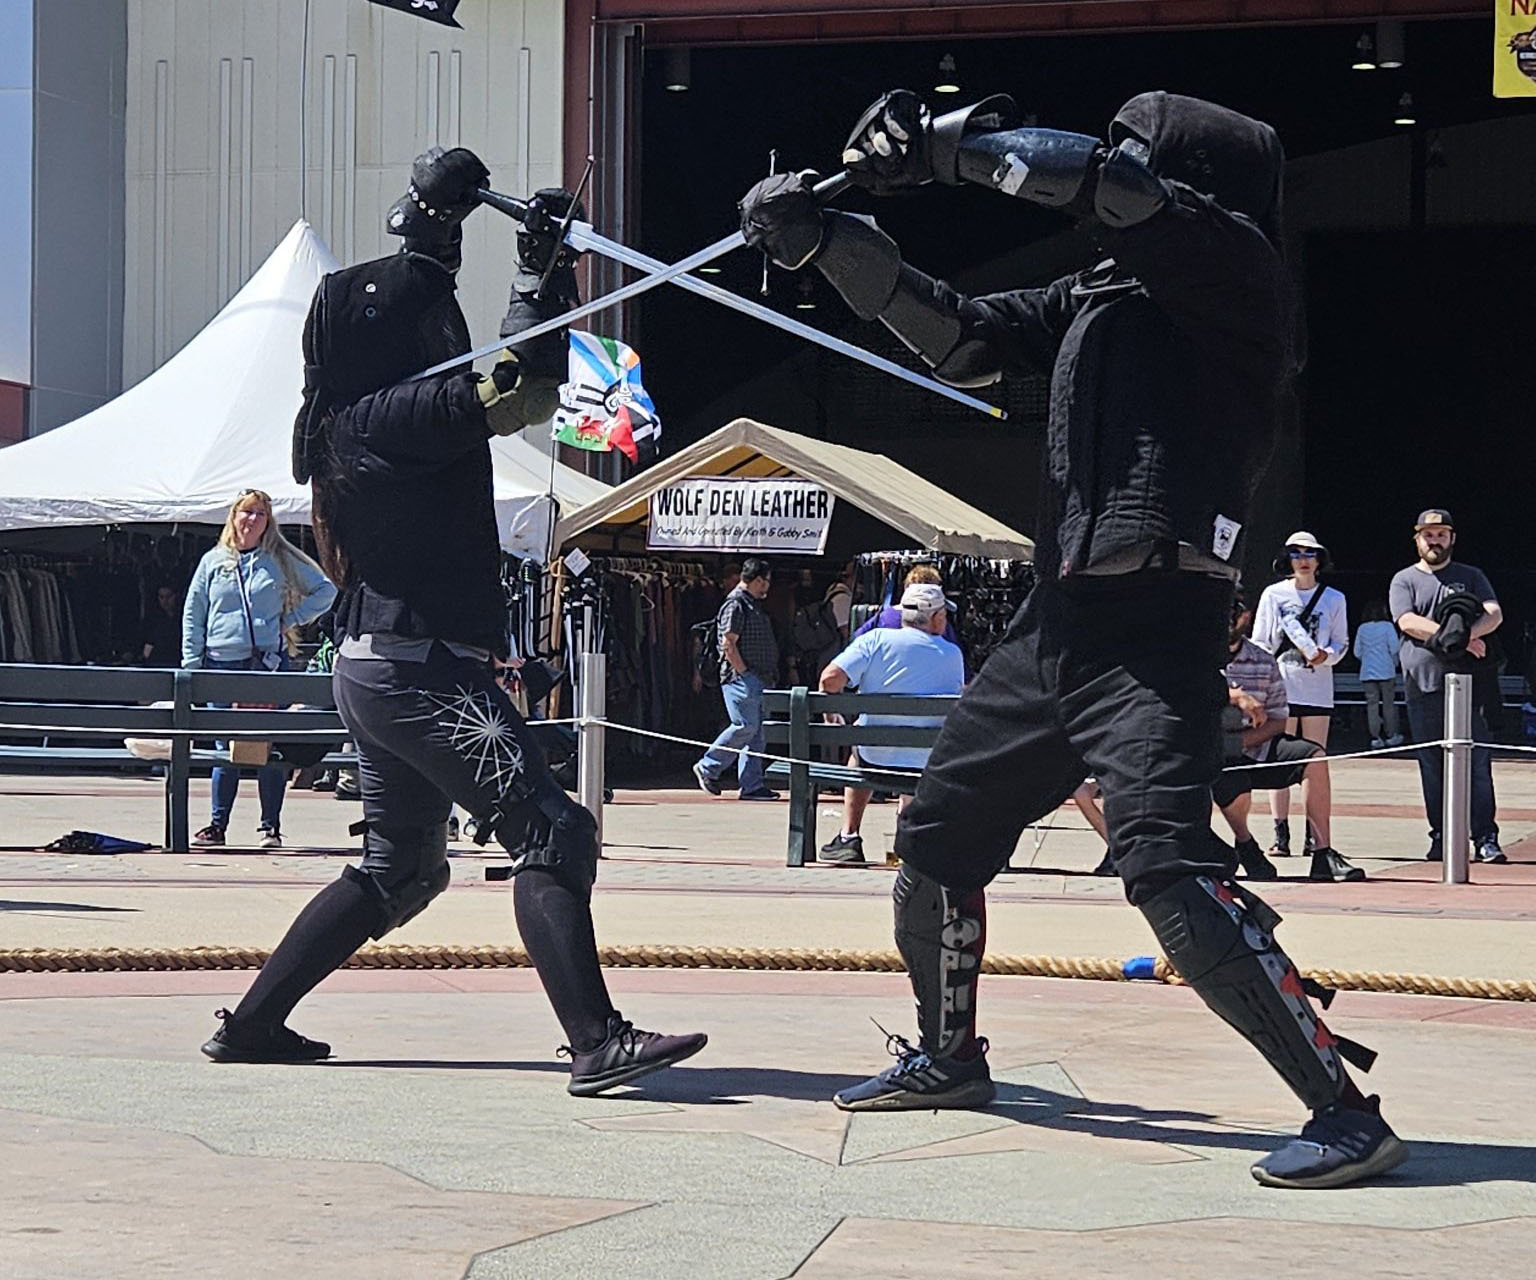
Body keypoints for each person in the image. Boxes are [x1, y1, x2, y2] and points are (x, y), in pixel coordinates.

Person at [739, 87, 1404, 1188]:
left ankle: (1345, 1112)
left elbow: (1106, 184)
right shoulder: (1106, 292)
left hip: (1157, 629)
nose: (1114, 168)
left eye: (1140, 153)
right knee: (937, 834)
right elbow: (962, 337)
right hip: (1055, 625)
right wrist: (827, 241)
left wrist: (940, 152)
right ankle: (949, 1056)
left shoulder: (1240, 276)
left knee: (1169, 867)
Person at [201, 146, 706, 1094]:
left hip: (382, 667)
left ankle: (255, 1024)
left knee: (403, 868)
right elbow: (517, 386)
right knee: (553, 832)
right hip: (418, 669)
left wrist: (455, 229)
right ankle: (595, 1041)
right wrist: (537, 276)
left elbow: (475, 340)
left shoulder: (347, 422)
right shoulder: (390, 414)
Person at [181, 489, 336, 848]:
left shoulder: (279, 558)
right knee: (226, 747)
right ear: (233, 516)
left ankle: (270, 827)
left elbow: (325, 590)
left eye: (261, 514)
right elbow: (194, 612)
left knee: (269, 744)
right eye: (247, 512)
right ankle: (217, 825)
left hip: (266, 663)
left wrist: (288, 620)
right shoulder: (213, 562)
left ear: (269, 522)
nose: (252, 520)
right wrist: (192, 664)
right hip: (221, 663)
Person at [816, 583, 965, 865]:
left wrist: (832, 713)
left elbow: (829, 680)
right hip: (927, 762)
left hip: (875, 757)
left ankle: (849, 836)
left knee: (861, 745)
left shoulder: (874, 640)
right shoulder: (952, 654)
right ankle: (908, 838)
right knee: (918, 742)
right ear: (935, 618)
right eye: (944, 614)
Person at [1388, 508, 1505, 864]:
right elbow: (1406, 620)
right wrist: (1454, 638)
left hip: (1471, 685)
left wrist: (1466, 636)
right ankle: (1441, 834)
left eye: (1441, 534)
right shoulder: (1404, 579)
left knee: (1478, 763)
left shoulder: (1471, 575)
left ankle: (1485, 837)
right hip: (1423, 685)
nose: (1434, 541)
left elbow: (1494, 613)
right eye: (1428, 535)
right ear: (1417, 540)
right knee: (1432, 763)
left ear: (1452, 538)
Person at [1218, 593, 1361, 882]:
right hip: (1211, 749)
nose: (1228, 619)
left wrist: (1246, 741)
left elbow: (1278, 719)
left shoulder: (1263, 659)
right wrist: (1234, 696)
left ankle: (1322, 853)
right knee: (1231, 781)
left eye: (1235, 611)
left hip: (1254, 745)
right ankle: (1246, 845)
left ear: (1246, 617)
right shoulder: (1194, 658)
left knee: (1314, 757)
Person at [1251, 531, 1347, 859]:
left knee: (1316, 760)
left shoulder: (1334, 598)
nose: (1303, 560)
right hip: (1281, 688)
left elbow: (1341, 642)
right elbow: (1260, 641)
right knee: (1280, 760)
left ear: (1320, 559)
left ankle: (1314, 835)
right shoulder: (1273, 594)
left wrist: (1326, 656)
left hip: (1318, 689)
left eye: (1309, 553)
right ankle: (1280, 833)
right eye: (1296, 554)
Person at [693, 558, 780, 801]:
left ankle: (752, 785)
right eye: (766, 581)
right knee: (745, 726)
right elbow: (728, 643)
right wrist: (745, 673)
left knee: (757, 733)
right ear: (758, 580)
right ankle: (708, 766)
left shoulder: (749, 603)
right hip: (741, 678)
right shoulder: (736, 604)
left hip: (758, 677)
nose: (767, 587)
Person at [1352, 600, 1404, 749]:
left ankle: (1375, 737)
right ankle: (1391, 735)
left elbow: (1357, 652)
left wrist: (1367, 660)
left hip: (1367, 672)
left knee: (1372, 705)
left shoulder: (1362, 628)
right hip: (1386, 670)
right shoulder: (1387, 626)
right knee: (1388, 704)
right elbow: (1394, 647)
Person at [140, 583, 181, 667]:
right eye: (161, 597)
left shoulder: (184, 618)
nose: (165, 601)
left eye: (168, 596)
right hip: (156, 662)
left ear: (176, 596)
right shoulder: (152, 619)